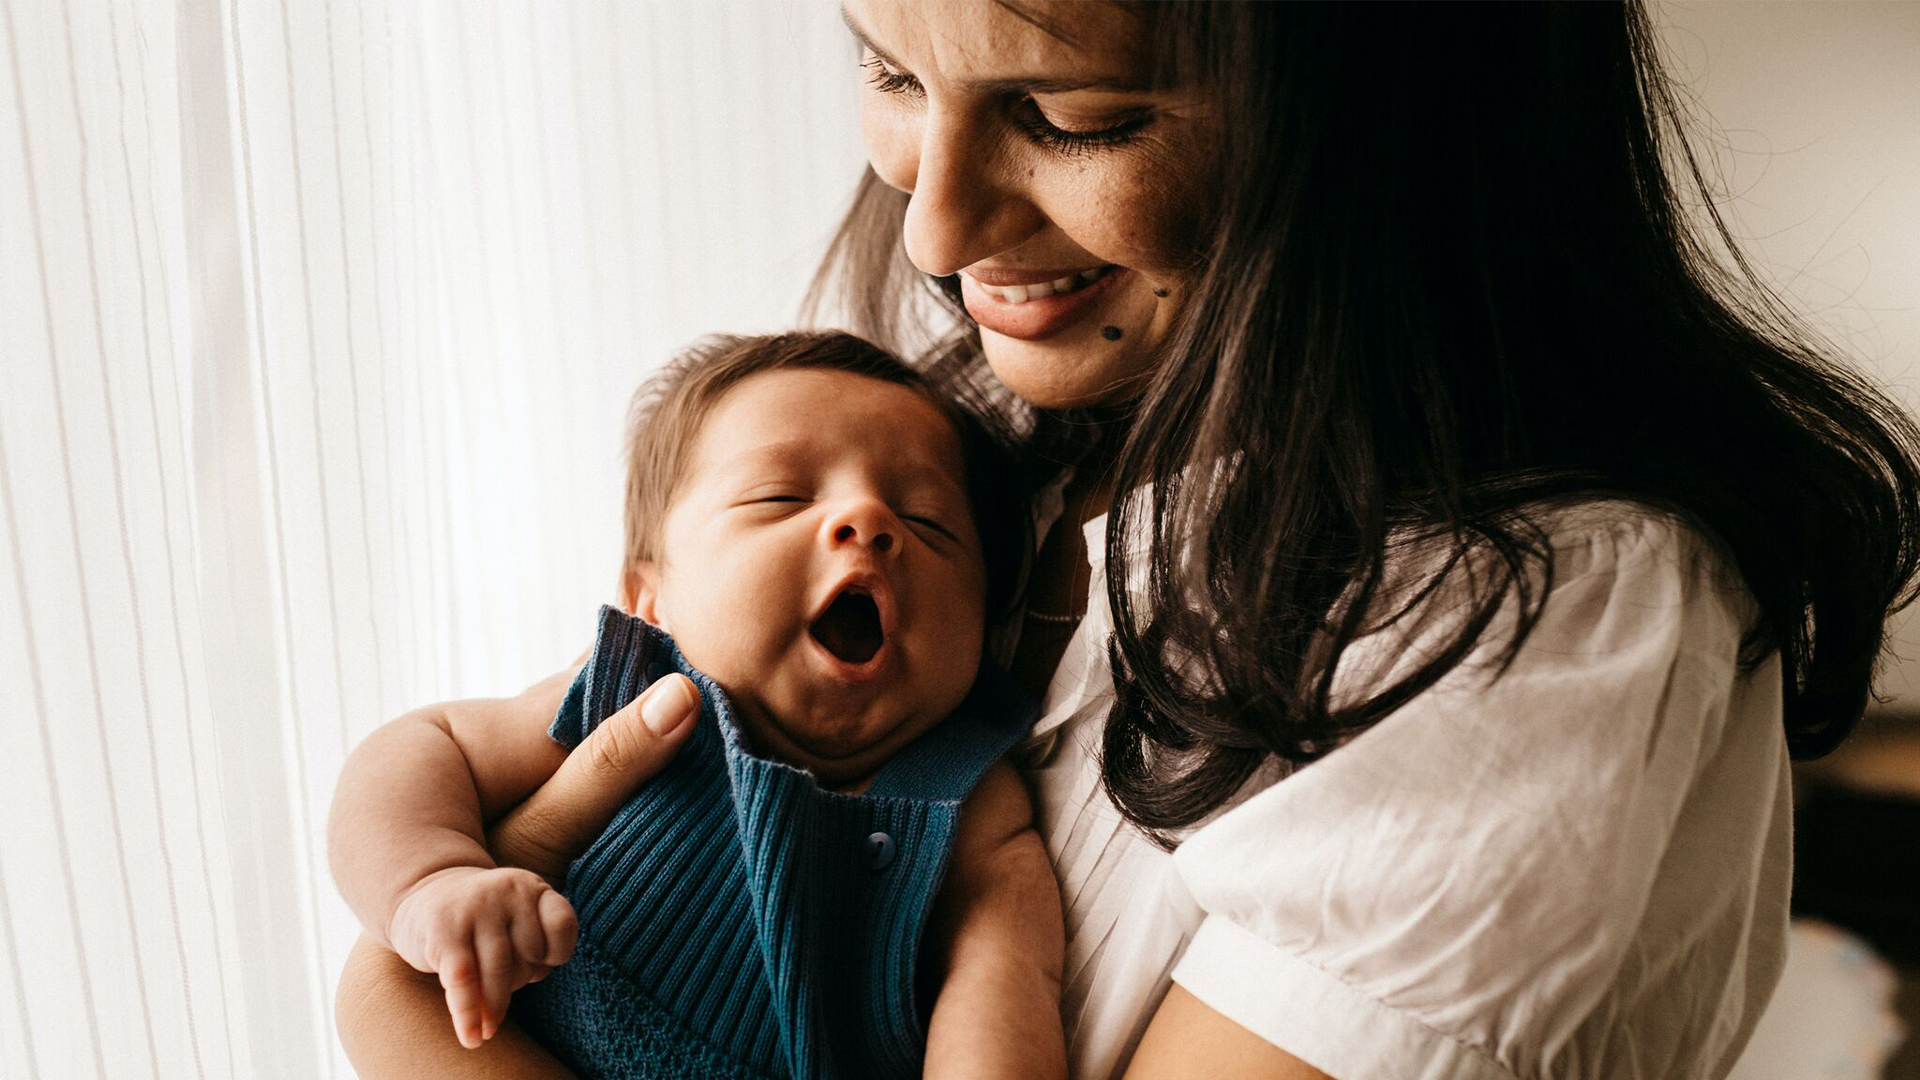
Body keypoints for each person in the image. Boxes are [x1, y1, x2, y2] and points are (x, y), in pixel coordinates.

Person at [335, 3, 1920, 1078]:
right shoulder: (988, 443)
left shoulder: (1532, 627)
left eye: (1076, 113)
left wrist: (405, 1015)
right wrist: (421, 920)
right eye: (889, 68)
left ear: (1395, 119)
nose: (935, 230)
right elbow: (472, 781)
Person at [328, 333, 1067, 1078]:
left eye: (929, 522)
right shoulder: (633, 694)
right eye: (781, 496)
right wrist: (434, 881)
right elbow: (425, 746)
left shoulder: (968, 798)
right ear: (651, 598)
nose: (869, 520)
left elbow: (1003, 976)